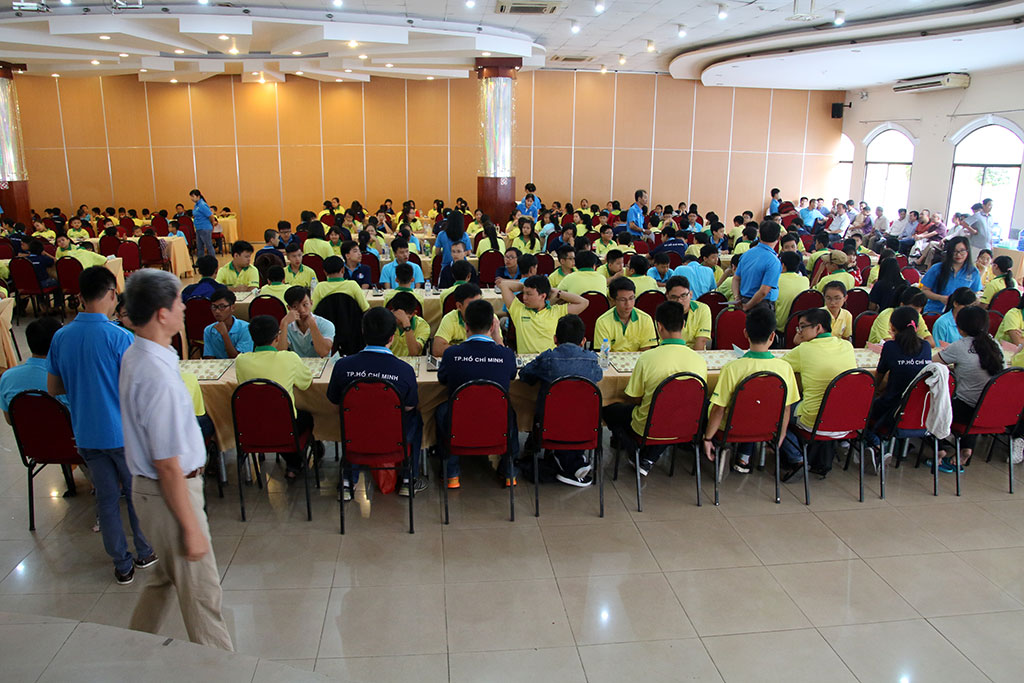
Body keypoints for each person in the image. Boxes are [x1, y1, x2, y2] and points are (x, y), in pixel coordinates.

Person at [118, 269, 232, 651]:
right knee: (203, 597)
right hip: (169, 492)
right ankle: (221, 668)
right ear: (162, 313)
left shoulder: (145, 353)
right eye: (179, 302)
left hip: (153, 492)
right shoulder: (156, 376)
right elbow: (167, 464)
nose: (186, 308)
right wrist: (191, 527)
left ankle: (132, 651)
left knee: (164, 579)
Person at [48, 266, 155, 584]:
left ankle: (122, 564)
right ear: (111, 294)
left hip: (86, 433)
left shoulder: (61, 337)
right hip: (123, 434)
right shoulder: (120, 337)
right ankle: (144, 551)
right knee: (137, 495)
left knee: (106, 500)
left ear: (80, 296)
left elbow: (54, 388)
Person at [327, 307, 424, 498]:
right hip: (393, 437)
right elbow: (409, 406)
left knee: (350, 420)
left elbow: (335, 403)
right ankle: (408, 478)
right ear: (392, 337)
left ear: (363, 332)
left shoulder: (342, 366)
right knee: (415, 417)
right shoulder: (405, 370)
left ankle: (347, 481)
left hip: (356, 435)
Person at [602, 301, 708, 475]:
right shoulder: (700, 360)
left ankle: (635, 452)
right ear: (683, 324)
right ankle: (648, 457)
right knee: (668, 411)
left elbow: (634, 398)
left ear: (659, 326)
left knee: (608, 409)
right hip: (685, 424)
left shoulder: (647, 358)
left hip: (648, 426)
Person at [704, 305, 799, 473]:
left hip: (731, 427)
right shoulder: (784, 368)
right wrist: (781, 435)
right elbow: (786, 409)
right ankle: (744, 456)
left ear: (745, 333)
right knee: (757, 406)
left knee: (709, 404)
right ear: (773, 336)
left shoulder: (732, 368)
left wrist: (708, 438)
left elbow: (719, 409)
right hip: (767, 426)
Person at [436, 299, 519, 488]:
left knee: (442, 411)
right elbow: (512, 374)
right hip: (495, 417)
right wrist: (498, 337)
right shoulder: (506, 355)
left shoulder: (452, 354)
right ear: (493, 326)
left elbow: (442, 378)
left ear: (466, 326)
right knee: (510, 412)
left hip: (461, 417)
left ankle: (451, 473)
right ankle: (509, 472)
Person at [519, 314, 604, 487]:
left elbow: (524, 375)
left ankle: (568, 462)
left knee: (556, 413)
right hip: (584, 426)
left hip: (550, 426)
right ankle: (573, 461)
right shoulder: (592, 360)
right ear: (583, 341)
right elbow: (599, 375)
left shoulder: (548, 359)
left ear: (555, 339)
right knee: (574, 413)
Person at [779, 307, 857, 480]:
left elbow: (779, 368)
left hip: (815, 420)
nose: (799, 331)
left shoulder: (805, 349)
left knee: (776, 411)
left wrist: (799, 343)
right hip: (848, 420)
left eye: (802, 327)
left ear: (819, 328)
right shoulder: (847, 346)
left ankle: (797, 458)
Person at [235, 315, 315, 479]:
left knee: (275, 421)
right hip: (285, 426)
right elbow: (305, 383)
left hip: (253, 426)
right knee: (306, 416)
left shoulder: (241, 361)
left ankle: (293, 463)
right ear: (277, 337)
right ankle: (298, 459)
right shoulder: (289, 358)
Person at [859, 305, 934, 468]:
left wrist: (874, 393)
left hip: (892, 404)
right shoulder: (926, 347)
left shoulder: (891, 347)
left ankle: (877, 444)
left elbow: (878, 377)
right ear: (917, 326)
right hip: (919, 409)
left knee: (861, 412)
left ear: (891, 327)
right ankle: (893, 447)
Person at [936, 305, 1005, 470]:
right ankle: (966, 448)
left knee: (937, 406)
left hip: (966, 411)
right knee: (975, 398)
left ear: (960, 327)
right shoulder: (995, 345)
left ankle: (939, 450)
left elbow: (933, 364)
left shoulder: (960, 346)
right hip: (993, 410)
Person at [0, 318, 70, 427]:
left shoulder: (7, 377)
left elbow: (10, 420)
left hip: (28, 437)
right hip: (67, 436)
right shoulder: (66, 380)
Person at [500, 276, 589, 354]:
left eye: (529, 294)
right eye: (524, 293)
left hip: (549, 360)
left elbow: (584, 302)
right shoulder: (518, 310)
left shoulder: (556, 311)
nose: (524, 297)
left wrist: (558, 293)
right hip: (526, 361)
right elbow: (504, 285)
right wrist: (526, 287)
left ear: (543, 296)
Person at [433, 283, 502, 356]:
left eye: (479, 302)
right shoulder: (450, 319)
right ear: (459, 306)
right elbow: (437, 349)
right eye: (472, 304)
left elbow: (501, 351)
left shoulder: (490, 317)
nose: (477, 308)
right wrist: (470, 351)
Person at [594, 278, 658, 352]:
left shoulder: (645, 319)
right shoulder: (602, 321)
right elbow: (604, 354)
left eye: (631, 298)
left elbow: (645, 352)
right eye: (623, 300)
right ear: (613, 300)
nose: (628, 304)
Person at [920, 236, 981, 314]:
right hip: (935, 312)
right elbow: (924, 291)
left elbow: (974, 295)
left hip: (959, 314)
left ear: (968, 251)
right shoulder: (937, 268)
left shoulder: (973, 272)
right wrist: (940, 298)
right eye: (954, 251)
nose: (958, 255)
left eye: (962, 251)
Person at [733, 220, 782, 311]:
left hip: (743, 300)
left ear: (759, 235)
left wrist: (737, 298)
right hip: (762, 305)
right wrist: (748, 306)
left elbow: (736, 278)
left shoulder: (747, 254)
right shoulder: (773, 261)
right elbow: (763, 292)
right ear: (779, 237)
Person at [868, 288, 934, 346]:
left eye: (920, 309)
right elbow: (889, 343)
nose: (916, 312)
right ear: (902, 305)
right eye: (913, 309)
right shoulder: (886, 315)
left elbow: (931, 342)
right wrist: (916, 342)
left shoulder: (917, 316)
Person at [665, 275, 712, 350]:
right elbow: (668, 344)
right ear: (667, 296)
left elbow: (702, 340)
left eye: (683, 295)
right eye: (674, 297)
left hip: (696, 353)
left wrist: (691, 357)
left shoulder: (703, 309)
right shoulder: (663, 312)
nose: (679, 301)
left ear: (690, 294)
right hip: (671, 352)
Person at [202, 289, 253, 359]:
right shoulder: (209, 330)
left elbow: (239, 359)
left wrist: (225, 335)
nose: (217, 311)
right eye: (214, 307)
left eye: (222, 307)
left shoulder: (246, 328)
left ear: (232, 308)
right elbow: (209, 358)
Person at [775, 251, 810, 332]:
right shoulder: (805, 280)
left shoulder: (775, 279)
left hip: (780, 326)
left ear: (782, 265)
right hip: (801, 326)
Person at [190, 189, 215, 258]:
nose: (191, 198)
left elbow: (211, 216)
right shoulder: (196, 205)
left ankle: (213, 260)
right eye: (191, 196)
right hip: (199, 228)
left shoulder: (202, 205)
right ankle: (200, 261)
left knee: (208, 246)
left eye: (193, 196)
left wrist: (212, 224)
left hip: (205, 228)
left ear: (198, 196)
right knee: (199, 246)